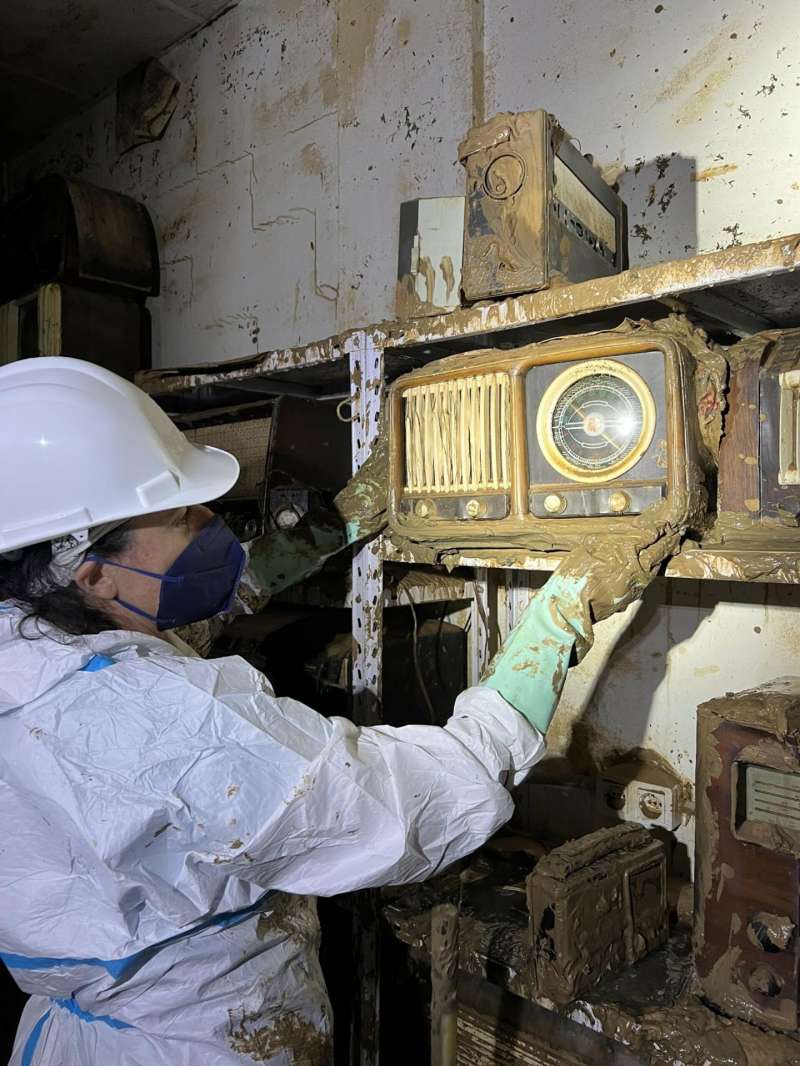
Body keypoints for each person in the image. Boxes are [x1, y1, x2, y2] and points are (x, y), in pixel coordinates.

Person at [0, 357, 679, 1065]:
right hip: (193, 1039)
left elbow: (157, 620)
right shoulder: (149, 720)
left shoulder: (32, 637)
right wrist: (553, 626)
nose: (210, 523)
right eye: (182, 515)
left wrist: (335, 526)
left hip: (81, 1029)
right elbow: (405, 803)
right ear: (91, 572)